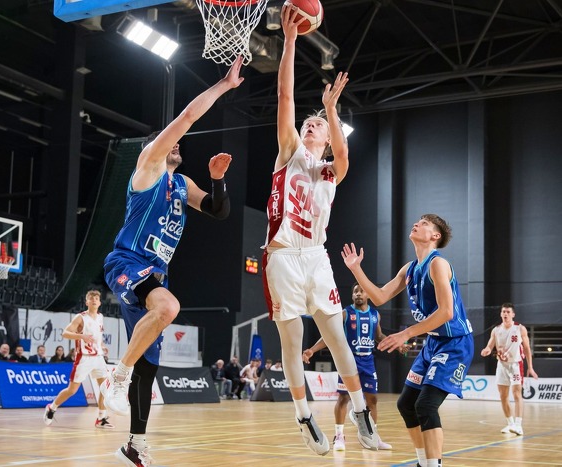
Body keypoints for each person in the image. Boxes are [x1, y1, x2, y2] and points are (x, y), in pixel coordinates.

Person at [99, 55, 245, 467]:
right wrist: (223, 86)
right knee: (168, 307)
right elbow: (185, 118)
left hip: (154, 274)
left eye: (179, 144)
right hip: (128, 261)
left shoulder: (182, 184)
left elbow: (217, 211)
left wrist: (217, 180)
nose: (178, 145)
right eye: (172, 142)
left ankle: (134, 444)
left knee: (149, 362)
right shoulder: (149, 167)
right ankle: (116, 375)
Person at [261, 5, 378, 456]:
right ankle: (303, 416)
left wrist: (331, 109)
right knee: (292, 342)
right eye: (308, 123)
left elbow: (344, 157)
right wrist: (290, 42)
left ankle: (362, 417)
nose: (311, 125)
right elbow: (285, 96)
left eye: (319, 126)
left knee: (336, 337)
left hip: (316, 257)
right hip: (282, 256)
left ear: (327, 138)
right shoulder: (289, 152)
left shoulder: (331, 171)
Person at [342, 214, 474, 467]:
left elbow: (446, 312)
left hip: (455, 343)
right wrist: (356, 268)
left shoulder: (438, 264)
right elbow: (379, 297)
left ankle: (434, 465)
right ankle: (423, 461)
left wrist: (406, 333)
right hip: (433, 343)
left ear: (435, 236)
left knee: (426, 405)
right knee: (406, 405)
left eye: (424, 223)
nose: (417, 223)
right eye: (418, 221)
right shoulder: (410, 269)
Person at [303, 283, 399, 451]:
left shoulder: (375, 315)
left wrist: (396, 344)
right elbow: (330, 335)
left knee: (372, 400)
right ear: (352, 295)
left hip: (368, 360)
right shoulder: (345, 313)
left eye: (361, 291)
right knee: (343, 398)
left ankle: (372, 435)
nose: (358, 294)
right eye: (355, 291)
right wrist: (312, 349)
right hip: (349, 360)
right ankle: (339, 436)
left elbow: (378, 336)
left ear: (368, 295)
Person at [44, 290, 113, 429]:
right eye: (91, 298)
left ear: (100, 302)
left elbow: (97, 336)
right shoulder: (81, 317)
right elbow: (65, 333)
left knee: (105, 387)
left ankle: (101, 418)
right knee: (72, 390)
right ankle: (52, 407)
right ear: (87, 302)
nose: (94, 300)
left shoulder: (100, 317)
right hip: (84, 358)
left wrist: (102, 346)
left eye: (97, 298)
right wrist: (81, 336)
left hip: (98, 357)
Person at [481, 302, 538, 435]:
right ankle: (510, 424)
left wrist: (530, 367)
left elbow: (527, 348)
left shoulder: (520, 328)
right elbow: (490, 346)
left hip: (516, 365)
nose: (505, 314)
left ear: (513, 314)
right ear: (501, 314)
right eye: (503, 312)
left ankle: (519, 425)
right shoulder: (496, 330)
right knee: (503, 395)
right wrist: (486, 350)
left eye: (508, 312)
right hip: (502, 365)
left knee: (517, 394)